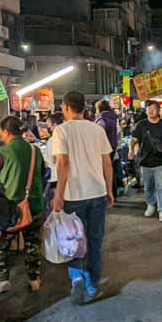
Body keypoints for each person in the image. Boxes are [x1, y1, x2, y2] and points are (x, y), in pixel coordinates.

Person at [50, 91, 114, 304]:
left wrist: (58, 195)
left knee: (74, 239)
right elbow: (107, 163)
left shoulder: (61, 131)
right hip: (97, 193)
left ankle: (77, 276)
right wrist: (110, 189)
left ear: (66, 107)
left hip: (73, 196)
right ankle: (92, 284)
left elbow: (63, 163)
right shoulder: (96, 129)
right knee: (95, 240)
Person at [0, 116, 44, 293]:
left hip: (12, 208)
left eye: (1, 131)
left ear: (6, 132)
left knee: (2, 245)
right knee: (32, 244)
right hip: (35, 205)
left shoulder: (3, 152)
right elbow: (43, 172)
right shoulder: (35, 150)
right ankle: (34, 280)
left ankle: (2, 279)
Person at [130, 100, 162, 222]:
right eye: (148, 108)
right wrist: (131, 150)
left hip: (160, 161)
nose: (150, 110)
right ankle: (150, 204)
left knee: (161, 187)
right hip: (145, 161)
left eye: (153, 108)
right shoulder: (141, 125)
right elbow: (134, 139)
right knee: (148, 187)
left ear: (158, 110)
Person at [93, 99, 122, 196]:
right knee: (110, 169)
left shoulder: (102, 119)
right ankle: (113, 192)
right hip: (112, 146)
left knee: (105, 171)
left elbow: (98, 133)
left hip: (103, 148)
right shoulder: (112, 117)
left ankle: (107, 193)